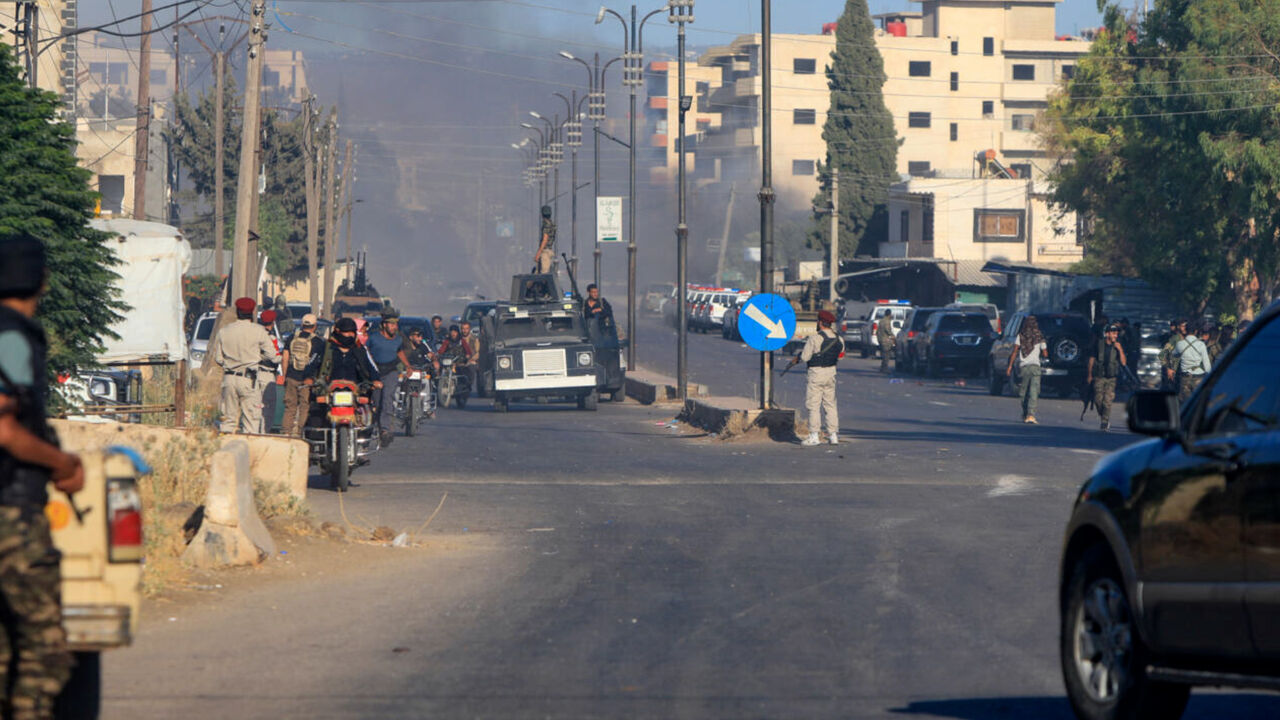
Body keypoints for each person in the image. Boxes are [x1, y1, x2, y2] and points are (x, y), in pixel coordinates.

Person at [0, 236, 82, 720]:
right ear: (41, 281)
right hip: (10, 513)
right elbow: (4, 428)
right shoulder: (12, 337)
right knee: (46, 652)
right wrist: (61, 463)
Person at [209, 297, 280, 433]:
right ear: (252, 312)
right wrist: (259, 357)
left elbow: (218, 358)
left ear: (237, 312)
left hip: (229, 379)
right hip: (249, 379)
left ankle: (227, 444)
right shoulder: (258, 331)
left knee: (228, 420)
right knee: (251, 422)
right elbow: (273, 356)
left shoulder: (225, 331)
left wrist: (231, 364)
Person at [789, 309, 844, 446]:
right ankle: (833, 435)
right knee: (830, 405)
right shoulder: (839, 339)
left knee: (813, 405)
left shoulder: (814, 338)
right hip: (831, 373)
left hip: (816, 373)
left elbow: (805, 357)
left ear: (820, 323)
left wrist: (798, 358)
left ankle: (814, 436)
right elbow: (840, 355)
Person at [365, 310, 413, 445]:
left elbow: (400, 352)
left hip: (391, 371)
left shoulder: (398, 339)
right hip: (375, 372)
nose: (394, 327)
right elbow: (366, 352)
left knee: (388, 398)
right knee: (376, 402)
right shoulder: (373, 338)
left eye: (395, 325)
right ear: (384, 325)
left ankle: (385, 430)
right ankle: (376, 426)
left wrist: (408, 366)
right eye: (391, 324)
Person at [309, 317, 381, 399]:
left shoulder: (360, 349)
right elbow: (312, 364)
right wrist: (309, 378)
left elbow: (370, 366)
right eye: (347, 332)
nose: (350, 335)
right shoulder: (325, 348)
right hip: (329, 391)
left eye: (352, 332)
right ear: (338, 331)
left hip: (356, 391)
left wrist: (375, 379)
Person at [280, 314, 324, 437]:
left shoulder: (291, 338)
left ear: (302, 325)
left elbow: (285, 358)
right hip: (307, 380)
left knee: (290, 407)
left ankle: (286, 432)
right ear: (315, 326)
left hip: (291, 376)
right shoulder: (318, 342)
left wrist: (285, 376)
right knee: (305, 406)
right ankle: (301, 433)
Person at [1006, 315, 1048, 424]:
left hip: (1024, 367)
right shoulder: (1039, 336)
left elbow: (1015, 351)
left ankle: (1026, 413)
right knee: (1034, 391)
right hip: (1035, 367)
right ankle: (1030, 414)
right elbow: (1045, 353)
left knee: (1023, 392)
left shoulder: (1021, 336)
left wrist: (1010, 366)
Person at [1087, 323, 1128, 432]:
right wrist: (1089, 375)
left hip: (1111, 378)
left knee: (1107, 401)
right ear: (1107, 334)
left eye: (1116, 333)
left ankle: (1104, 421)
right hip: (1099, 376)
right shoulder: (1098, 344)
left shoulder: (1118, 346)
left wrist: (1120, 350)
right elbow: (1092, 359)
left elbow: (1123, 363)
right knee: (1098, 400)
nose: (1115, 335)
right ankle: (1103, 415)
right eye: (1113, 333)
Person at [255, 309, 282, 433]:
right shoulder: (270, 337)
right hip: (267, 373)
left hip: (254, 373)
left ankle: (254, 432)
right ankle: (264, 434)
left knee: (256, 407)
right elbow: (275, 357)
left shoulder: (254, 335)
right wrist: (285, 358)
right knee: (268, 408)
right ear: (273, 322)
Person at [1173, 321, 1212, 403]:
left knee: (1185, 403)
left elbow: (1174, 354)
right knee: (1197, 403)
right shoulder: (1201, 344)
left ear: (1186, 331)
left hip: (1185, 378)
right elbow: (1207, 364)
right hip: (1199, 378)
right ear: (1196, 331)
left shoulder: (1180, 344)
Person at [438, 324, 476, 395]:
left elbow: (467, 350)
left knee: (464, 371)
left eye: (455, 332)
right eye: (452, 332)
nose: (453, 334)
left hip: (459, 361)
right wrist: (438, 354)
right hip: (450, 361)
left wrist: (467, 355)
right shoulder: (447, 341)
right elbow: (442, 350)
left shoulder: (461, 341)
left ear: (457, 333)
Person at [1157, 319, 1185, 391]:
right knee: (1167, 380)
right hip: (1169, 360)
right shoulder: (1169, 336)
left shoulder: (1178, 336)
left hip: (1175, 361)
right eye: (1171, 326)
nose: (1172, 327)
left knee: (1175, 381)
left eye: (1173, 326)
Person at [535, 204, 556, 274]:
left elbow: (545, 239)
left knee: (544, 274)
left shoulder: (546, 225)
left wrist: (538, 253)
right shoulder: (552, 224)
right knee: (539, 273)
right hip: (549, 250)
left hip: (545, 252)